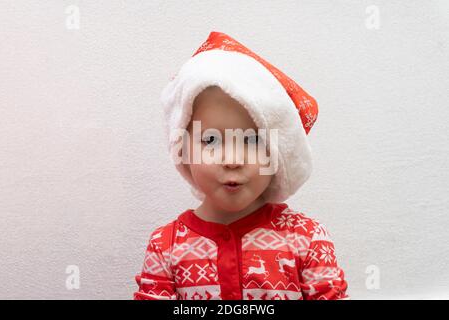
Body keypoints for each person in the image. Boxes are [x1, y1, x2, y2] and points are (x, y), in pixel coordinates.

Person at [133, 31, 349, 300]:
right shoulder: (165, 246)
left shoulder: (308, 239)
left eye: (252, 140)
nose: (233, 159)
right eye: (211, 140)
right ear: (182, 149)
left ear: (277, 153)